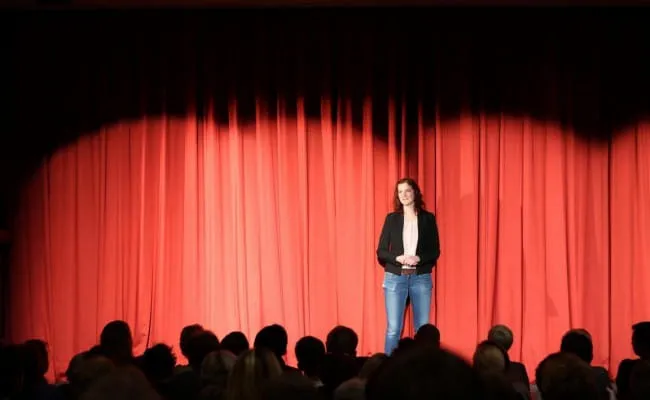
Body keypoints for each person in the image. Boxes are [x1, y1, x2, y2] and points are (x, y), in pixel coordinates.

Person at [376, 178, 441, 355]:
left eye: (407, 191)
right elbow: (381, 251)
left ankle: (420, 367)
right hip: (395, 278)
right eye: (400, 192)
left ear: (415, 193)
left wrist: (419, 258)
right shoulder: (392, 219)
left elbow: (435, 251)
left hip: (420, 278)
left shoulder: (428, 219)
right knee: (393, 329)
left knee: (422, 329)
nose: (403, 195)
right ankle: (389, 366)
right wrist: (398, 258)